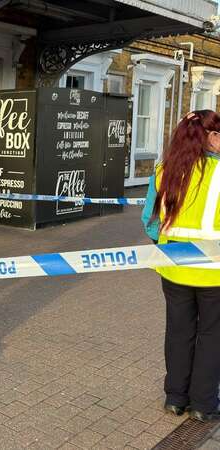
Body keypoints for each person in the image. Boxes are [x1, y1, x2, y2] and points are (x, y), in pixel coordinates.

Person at [141, 110, 220, 422]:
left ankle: (175, 398)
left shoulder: (164, 171)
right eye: (217, 132)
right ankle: (203, 403)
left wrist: (165, 246)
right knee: (212, 335)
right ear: (204, 136)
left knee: (179, 332)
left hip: (173, 268)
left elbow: (150, 223)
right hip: (214, 272)